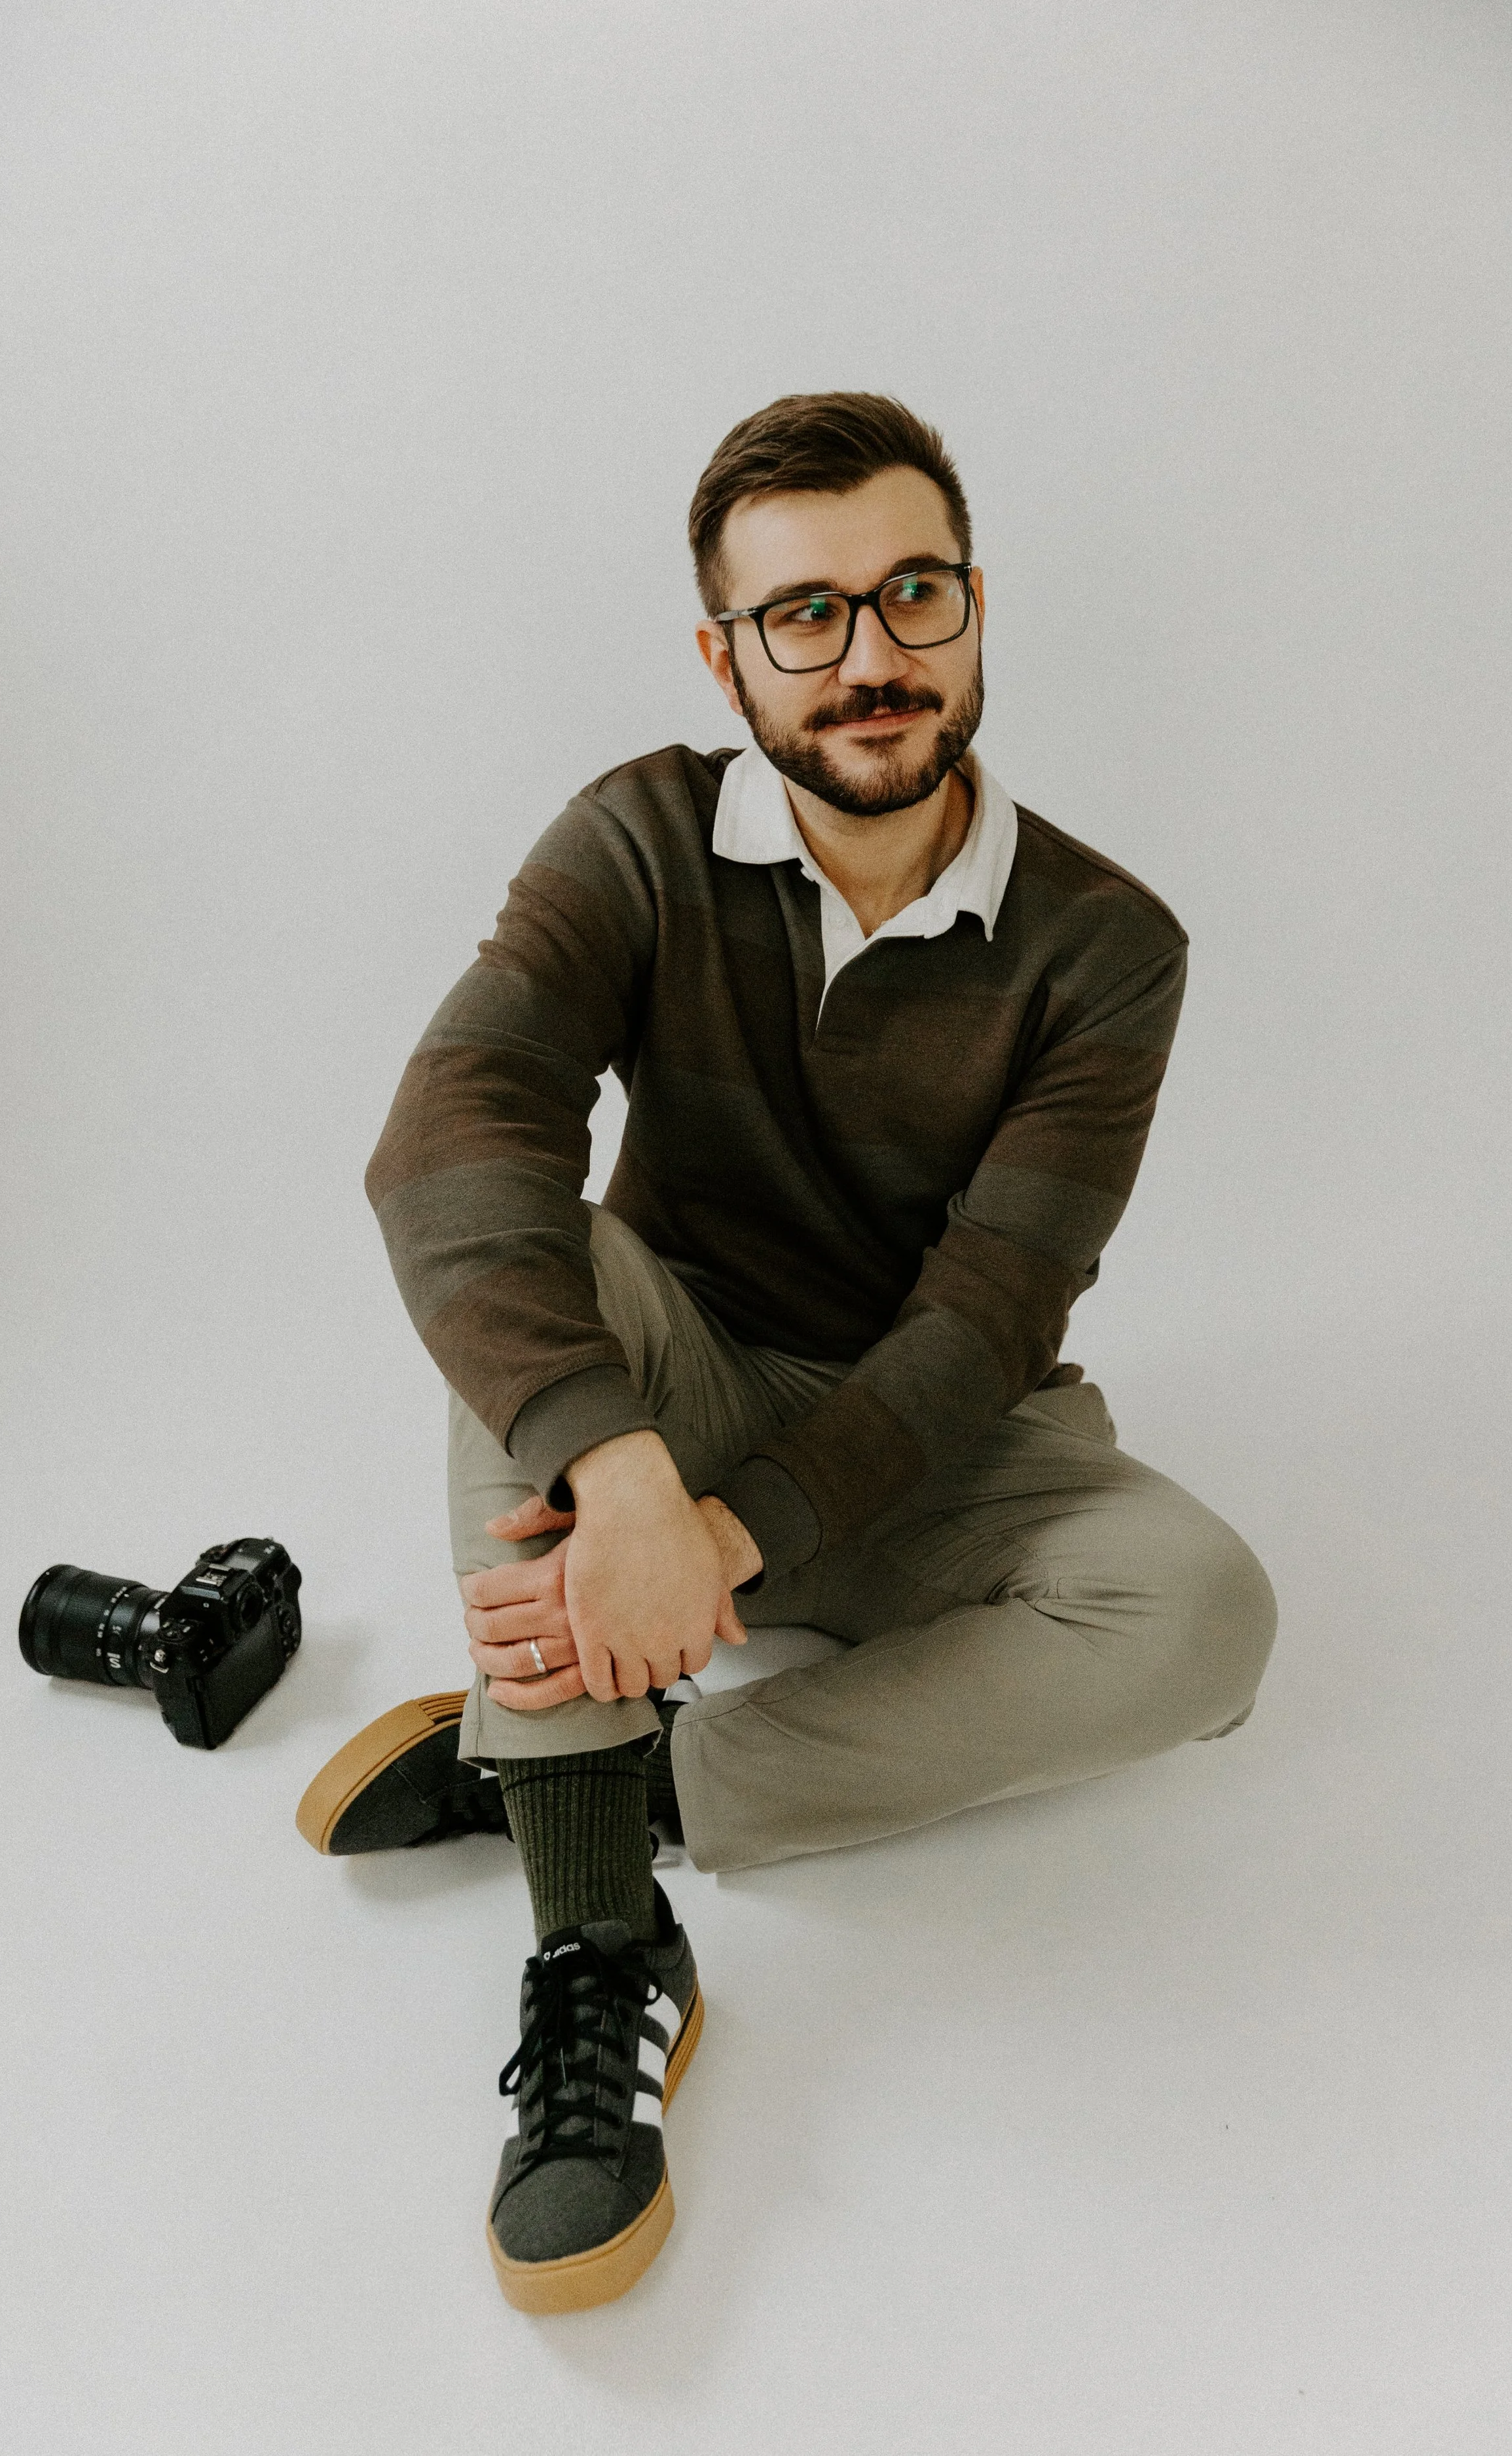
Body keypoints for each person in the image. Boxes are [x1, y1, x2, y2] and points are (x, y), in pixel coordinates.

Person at [294, 392, 1279, 2315]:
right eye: (805, 615)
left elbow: (990, 1315)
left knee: (1204, 1612)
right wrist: (629, 1470)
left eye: (912, 596)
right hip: (678, 1373)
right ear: (725, 651)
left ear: (975, 608)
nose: (870, 658)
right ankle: (600, 1947)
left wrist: (723, 1543)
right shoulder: (640, 837)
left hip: (942, 1423)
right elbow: (451, 1129)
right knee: (532, 1257)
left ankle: (588, 1775)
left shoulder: (1107, 941)